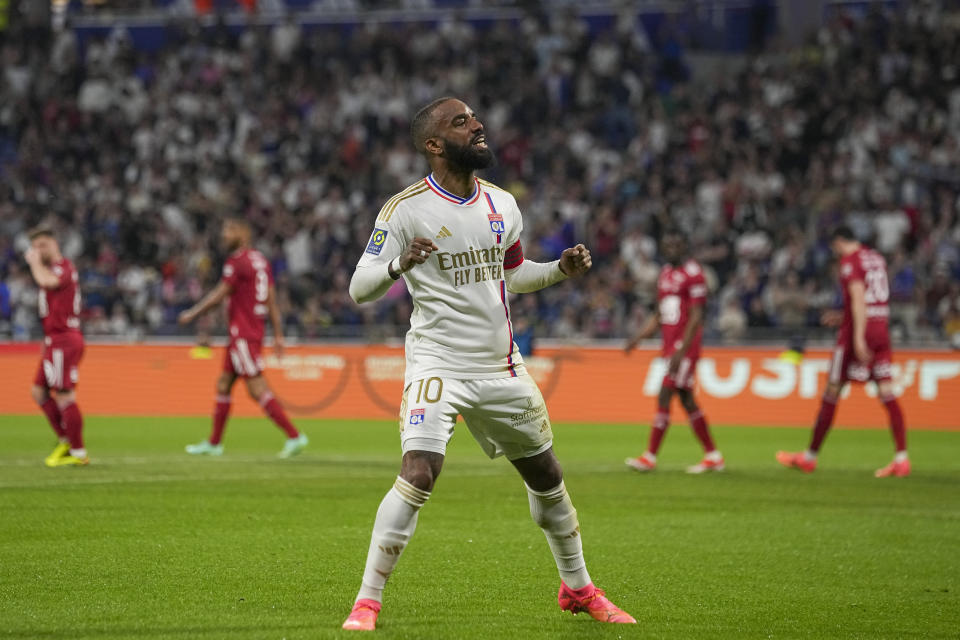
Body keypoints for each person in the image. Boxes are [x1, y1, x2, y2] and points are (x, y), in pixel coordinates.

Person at [342, 97, 635, 631]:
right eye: (461, 123)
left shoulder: (502, 204)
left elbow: (513, 275)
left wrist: (559, 271)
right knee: (419, 472)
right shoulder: (403, 210)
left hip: (501, 367)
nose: (478, 125)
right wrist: (396, 264)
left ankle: (578, 589)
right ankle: (367, 600)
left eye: (476, 117)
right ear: (434, 145)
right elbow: (360, 289)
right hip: (438, 363)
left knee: (547, 475)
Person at [777, 226, 908, 477]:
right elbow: (873, 298)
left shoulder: (850, 262)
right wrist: (844, 317)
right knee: (887, 392)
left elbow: (859, 297)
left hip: (858, 334)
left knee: (832, 390)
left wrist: (857, 335)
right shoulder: (876, 258)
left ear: (838, 242)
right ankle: (902, 458)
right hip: (881, 327)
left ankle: (810, 457)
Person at [178, 218, 307, 458]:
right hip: (250, 331)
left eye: (230, 229)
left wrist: (192, 314)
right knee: (224, 384)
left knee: (257, 388)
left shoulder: (236, 262)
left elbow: (219, 295)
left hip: (242, 334)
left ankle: (294, 436)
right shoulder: (260, 260)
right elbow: (271, 298)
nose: (224, 235)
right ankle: (214, 443)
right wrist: (277, 334)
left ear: (243, 233)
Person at [624, 229, 724, 474]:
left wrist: (682, 350)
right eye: (667, 245)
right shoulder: (665, 274)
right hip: (670, 346)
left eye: (675, 245)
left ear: (684, 247)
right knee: (687, 400)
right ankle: (713, 455)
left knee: (665, 395)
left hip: (685, 348)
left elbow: (697, 315)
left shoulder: (694, 274)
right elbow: (660, 314)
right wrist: (637, 338)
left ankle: (650, 456)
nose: (671, 249)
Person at [26, 227, 89, 467]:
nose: (38, 251)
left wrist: (33, 263)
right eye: (35, 247)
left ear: (54, 244)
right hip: (54, 339)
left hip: (65, 339)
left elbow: (47, 281)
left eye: (43, 245)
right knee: (38, 392)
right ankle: (66, 440)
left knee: (64, 395)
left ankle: (78, 452)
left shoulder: (62, 267)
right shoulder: (52, 268)